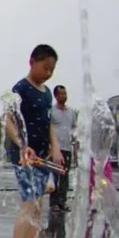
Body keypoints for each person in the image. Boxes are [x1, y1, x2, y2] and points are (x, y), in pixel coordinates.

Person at [1, 44, 63, 238]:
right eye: (45, 67)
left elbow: (49, 124)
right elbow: (7, 120)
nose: (48, 73)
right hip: (24, 156)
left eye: (52, 69)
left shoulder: (47, 93)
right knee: (29, 205)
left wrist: (55, 148)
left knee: (38, 207)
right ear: (32, 62)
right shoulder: (21, 88)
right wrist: (20, 143)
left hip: (41, 158)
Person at [49, 85, 76, 213]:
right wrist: (50, 147)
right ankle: (53, 203)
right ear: (56, 96)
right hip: (56, 149)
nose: (64, 96)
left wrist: (75, 148)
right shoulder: (52, 111)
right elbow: (48, 129)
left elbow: (74, 130)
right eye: (61, 94)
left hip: (67, 149)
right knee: (55, 176)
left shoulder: (71, 112)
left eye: (65, 93)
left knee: (65, 177)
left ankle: (62, 202)